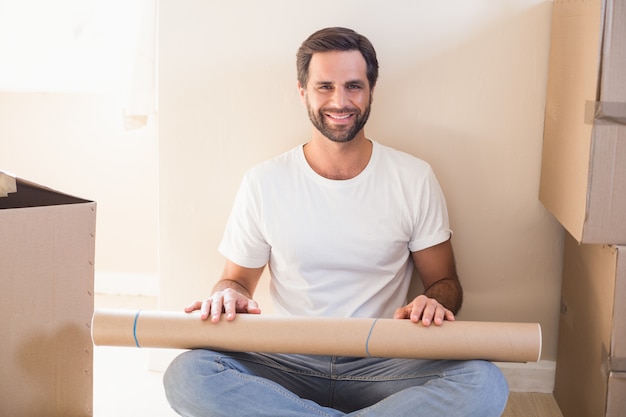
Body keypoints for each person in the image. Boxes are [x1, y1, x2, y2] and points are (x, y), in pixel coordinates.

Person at [163, 27, 508, 416]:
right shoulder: (264, 181)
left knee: (483, 382)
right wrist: (228, 294)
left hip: (383, 361)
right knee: (189, 374)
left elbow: (445, 283)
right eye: (324, 86)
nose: (339, 101)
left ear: (371, 90)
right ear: (303, 92)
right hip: (288, 360)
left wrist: (433, 301)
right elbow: (237, 281)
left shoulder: (413, 178)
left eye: (353, 86)